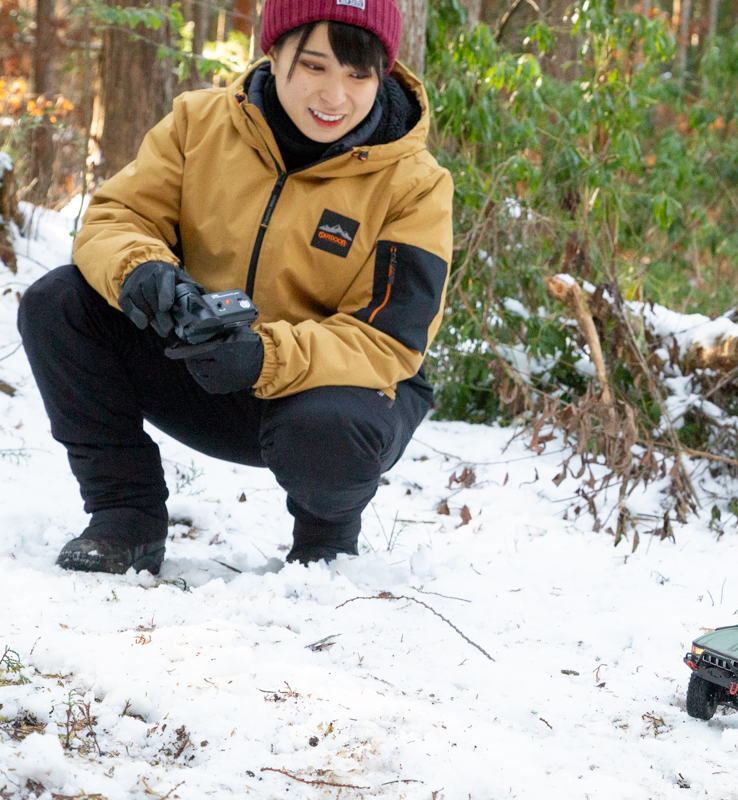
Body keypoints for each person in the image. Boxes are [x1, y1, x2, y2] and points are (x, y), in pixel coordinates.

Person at [17, 0, 452, 574]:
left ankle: (326, 540)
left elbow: (387, 343)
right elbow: (115, 219)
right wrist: (144, 271)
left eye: (357, 74)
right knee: (59, 304)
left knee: (332, 425)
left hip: (329, 396)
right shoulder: (199, 123)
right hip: (200, 365)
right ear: (272, 52)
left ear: (383, 75)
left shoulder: (415, 185)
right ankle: (126, 515)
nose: (335, 96)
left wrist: (265, 356)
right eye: (315, 66)